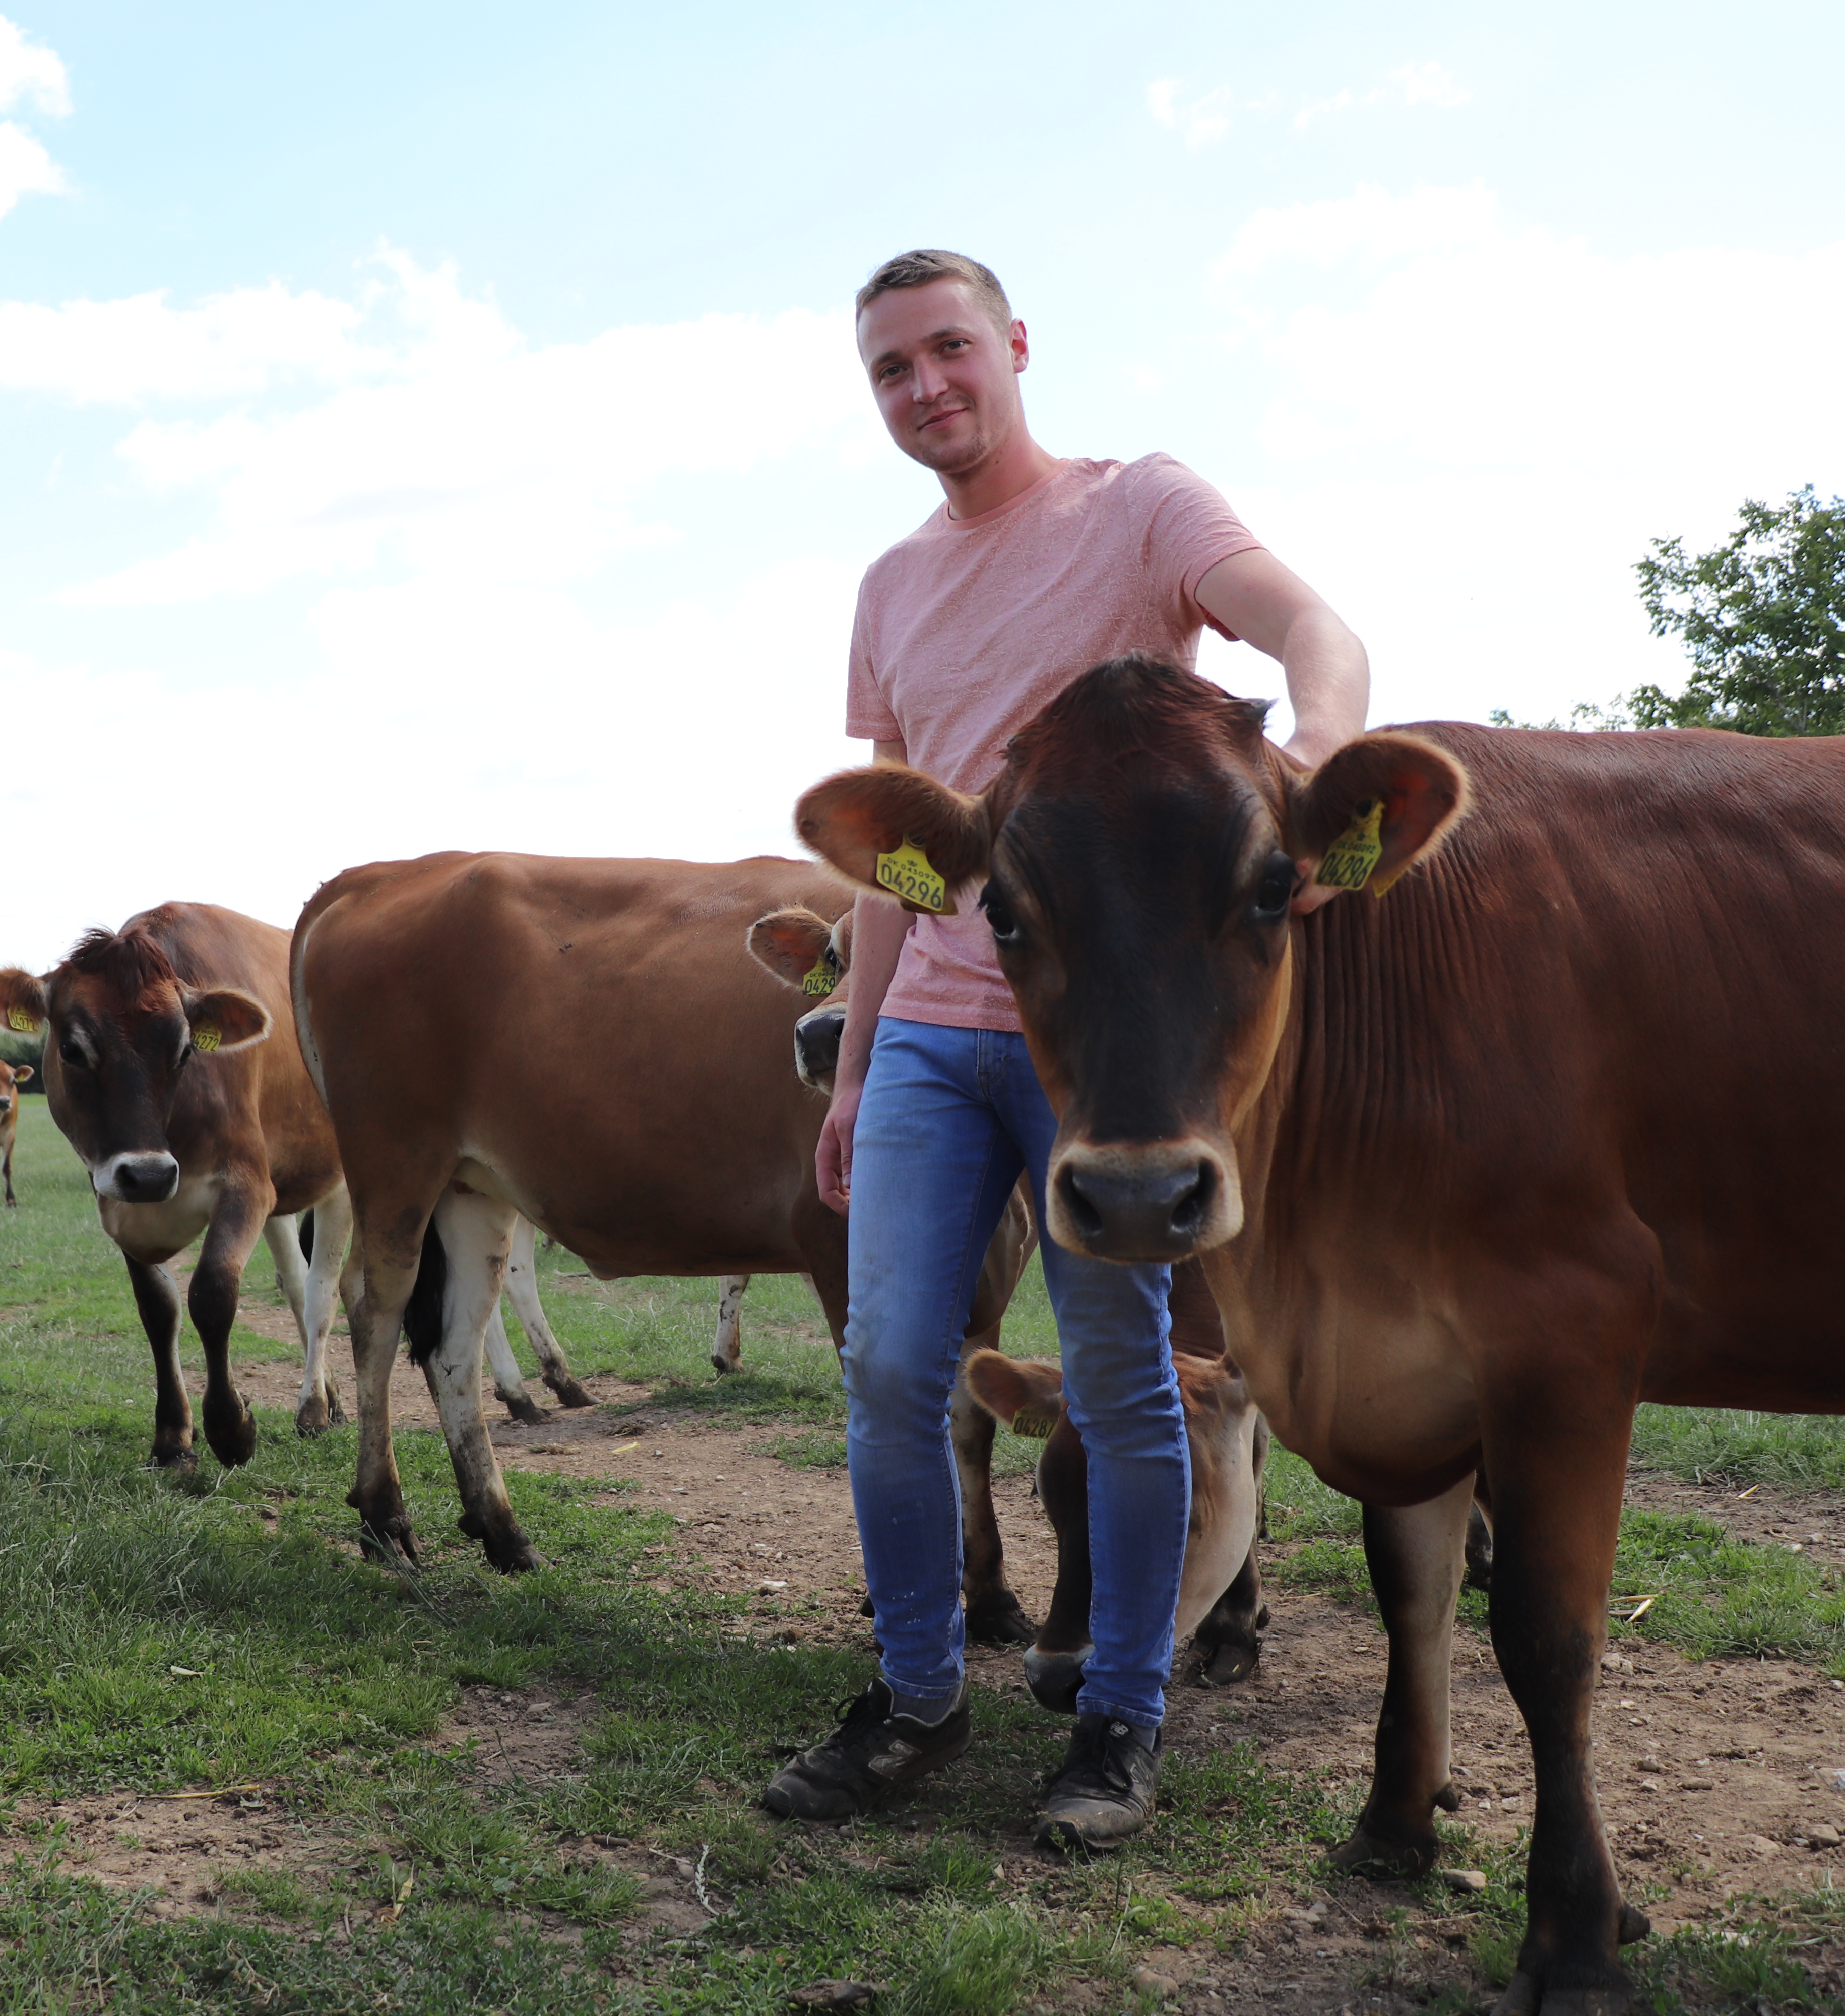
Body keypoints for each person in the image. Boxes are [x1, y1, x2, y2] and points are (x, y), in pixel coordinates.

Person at [759, 249, 1370, 1850]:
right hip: (935, 1053)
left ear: (1016, 346)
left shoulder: (1138, 508)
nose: (925, 389)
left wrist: (1310, 755)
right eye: (890, 369)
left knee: (1117, 1379)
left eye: (949, 349)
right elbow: (904, 853)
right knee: (889, 1369)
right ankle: (915, 1696)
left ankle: (1120, 1718)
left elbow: (1315, 624)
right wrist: (861, 1054)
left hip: (1101, 1056)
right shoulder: (891, 589)